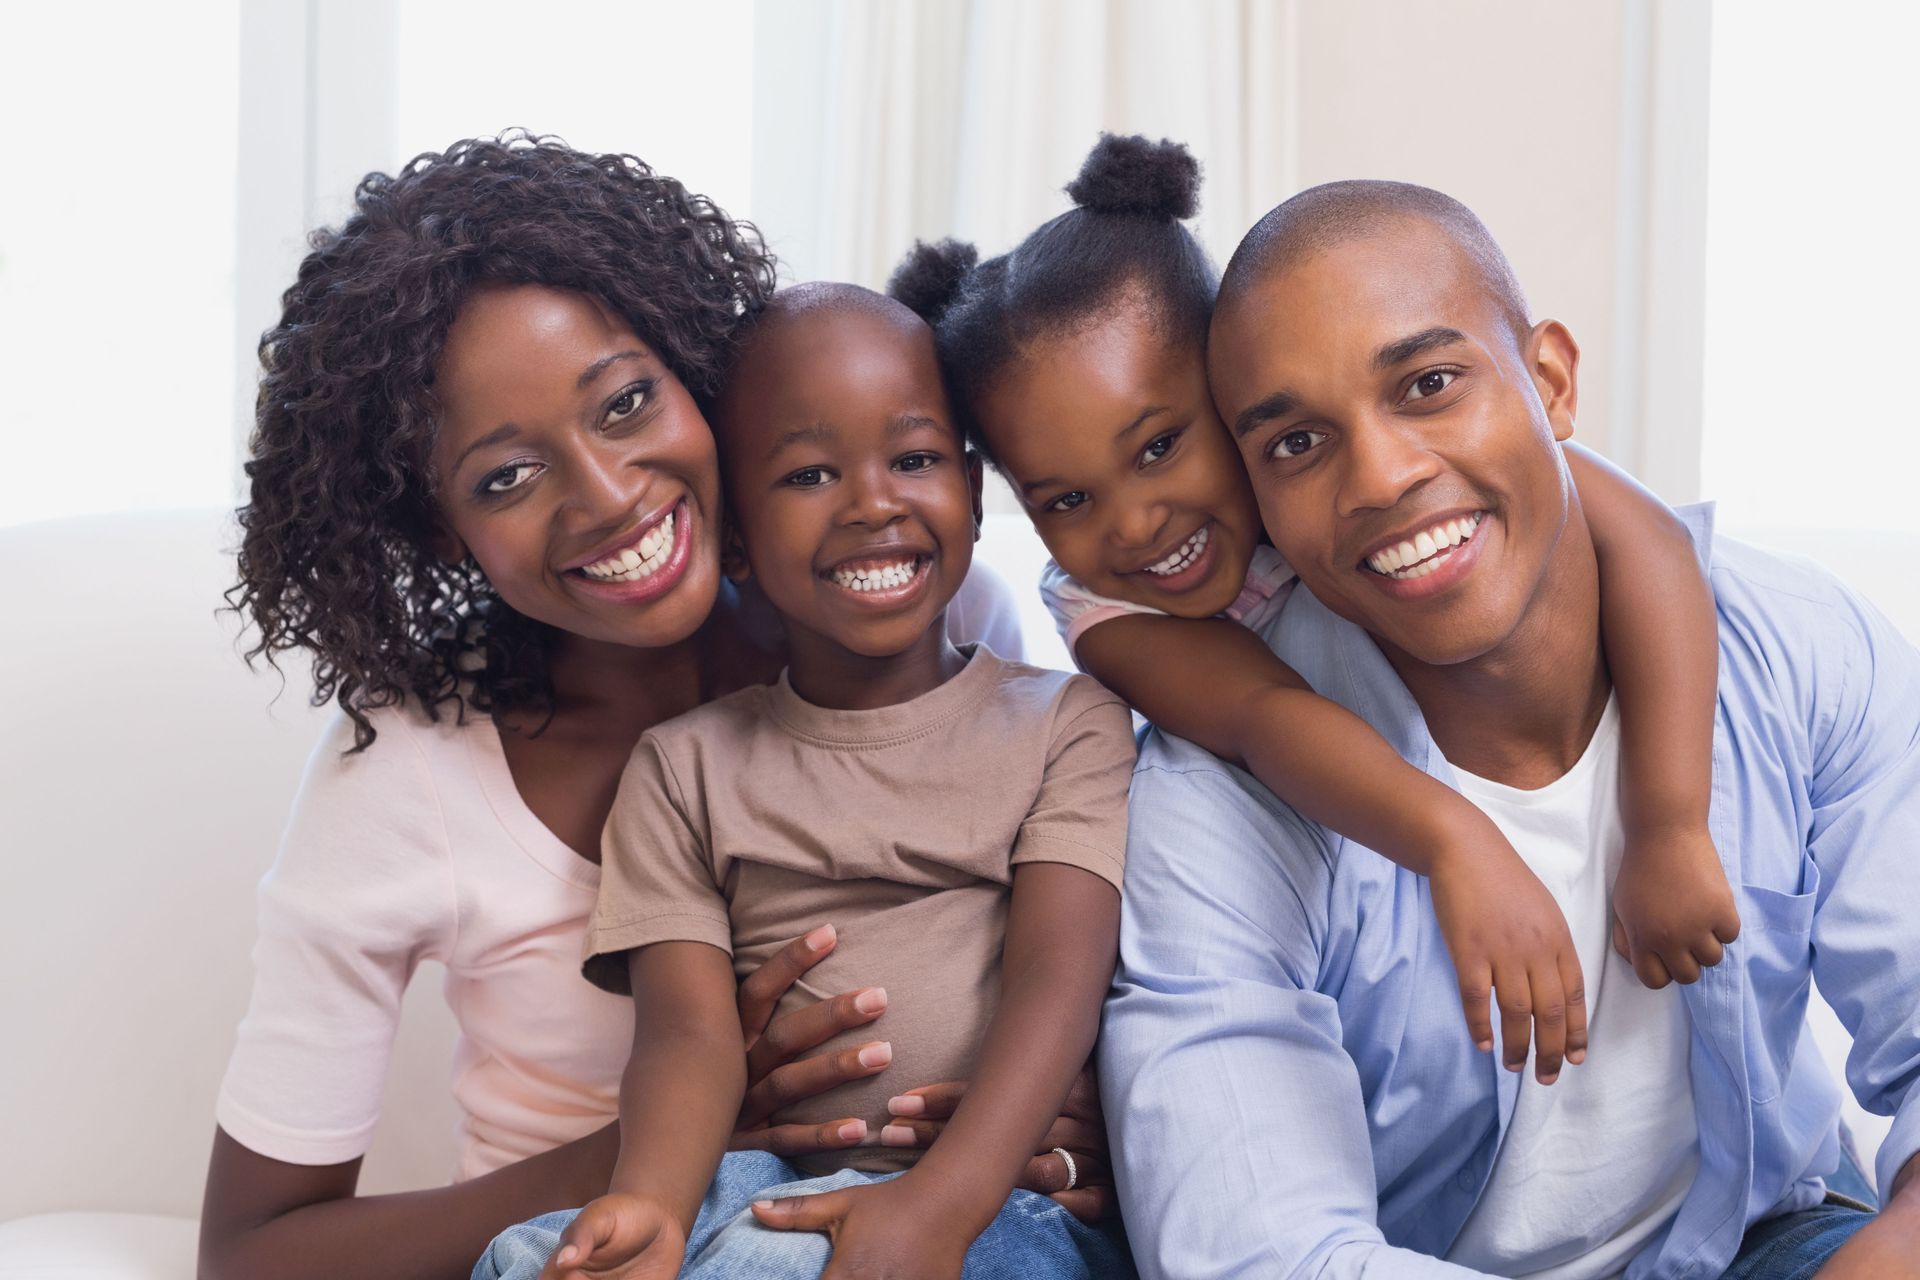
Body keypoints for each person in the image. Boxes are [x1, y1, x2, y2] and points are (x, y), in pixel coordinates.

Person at [201, 133, 1104, 1280]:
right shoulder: (405, 771)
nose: (609, 496)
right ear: (440, 526)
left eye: (626, 403)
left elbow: (1036, 947)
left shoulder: (912, 598)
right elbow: (250, 1256)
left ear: (692, 372)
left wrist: (1054, 1141)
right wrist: (674, 1151)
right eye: (505, 478)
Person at [1101, 178, 1920, 1278]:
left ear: (1551, 379)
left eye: (1430, 384)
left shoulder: (1795, 645)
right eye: (1298, 443)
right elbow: (1262, 1252)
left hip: (1759, 1238)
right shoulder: (1218, 797)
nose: (1384, 476)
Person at [888, 134, 1737, 1084]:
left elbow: (1654, 543)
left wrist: (1667, 823)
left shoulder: (1372, 471)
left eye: (1161, 447)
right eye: (1067, 502)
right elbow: (1265, 718)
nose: (1134, 524)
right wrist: (1457, 842)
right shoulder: (1106, 612)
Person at [472, 282, 1135, 1280]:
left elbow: (1059, 979)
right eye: (811, 473)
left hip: (1001, 1194)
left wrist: (939, 1206)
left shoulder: (1064, 723)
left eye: (914, 460)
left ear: (968, 482)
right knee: (528, 1256)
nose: (874, 503)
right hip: (765, 1182)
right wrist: (650, 1203)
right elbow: (690, 1032)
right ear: (733, 537)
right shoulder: (683, 765)